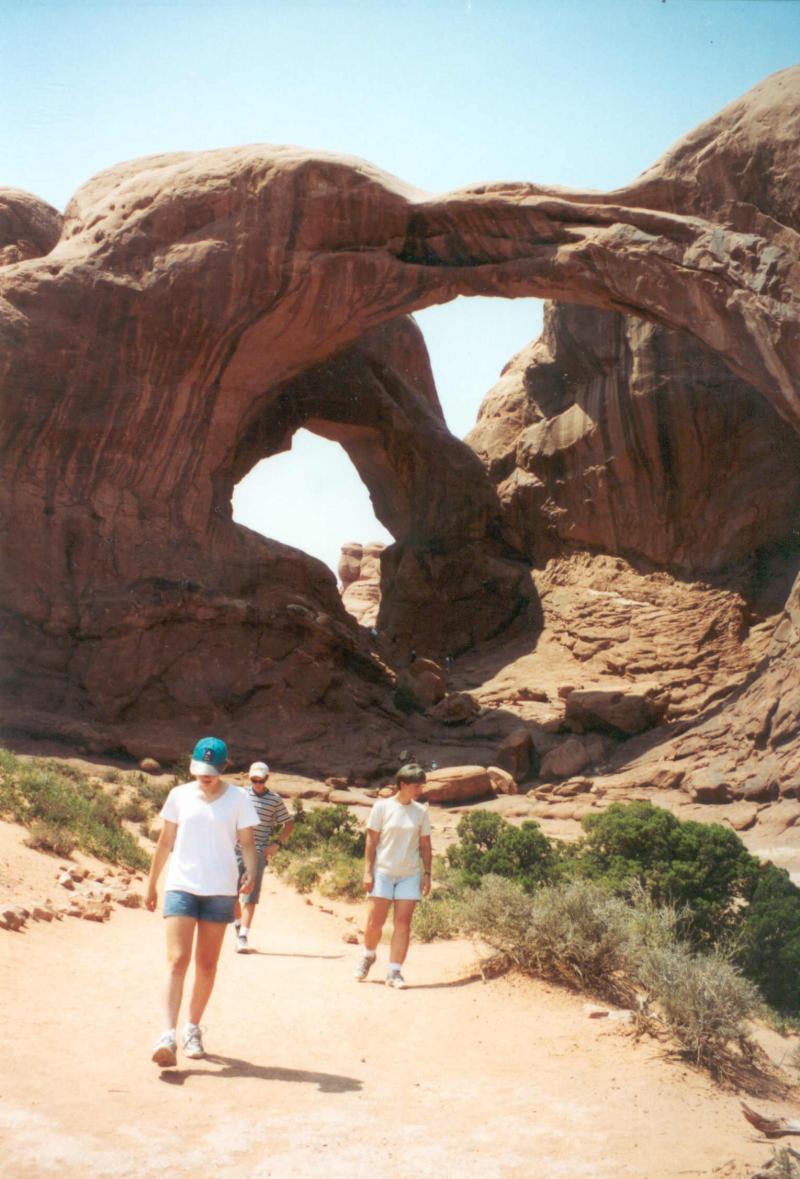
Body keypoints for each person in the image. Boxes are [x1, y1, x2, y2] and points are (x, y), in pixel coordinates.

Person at [145, 736, 259, 1067]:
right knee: (177, 960)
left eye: (211, 770)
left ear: (224, 768)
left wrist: (249, 875)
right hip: (182, 885)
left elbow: (247, 843)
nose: (204, 776)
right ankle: (167, 1034)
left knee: (206, 964)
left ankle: (192, 1028)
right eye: (199, 769)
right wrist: (151, 884)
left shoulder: (239, 799)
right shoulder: (179, 795)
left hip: (220, 890)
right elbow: (165, 841)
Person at [354, 762, 432, 989]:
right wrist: (367, 871)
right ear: (403, 784)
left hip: (409, 874)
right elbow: (371, 840)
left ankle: (394, 972)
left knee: (403, 924)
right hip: (383, 872)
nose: (420, 790)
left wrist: (427, 874)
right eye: (416, 786)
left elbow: (426, 845)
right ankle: (368, 955)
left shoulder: (421, 811)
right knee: (374, 923)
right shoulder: (382, 807)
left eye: (421, 786)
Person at [233, 760, 294, 953]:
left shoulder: (274, 800)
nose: (257, 783)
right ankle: (238, 924)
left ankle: (243, 935)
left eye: (261, 780)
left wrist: (277, 844)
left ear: (267, 779)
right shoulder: (240, 795)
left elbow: (289, 823)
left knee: (251, 895)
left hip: (258, 851)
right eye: (254, 779)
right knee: (230, 891)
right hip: (236, 848)